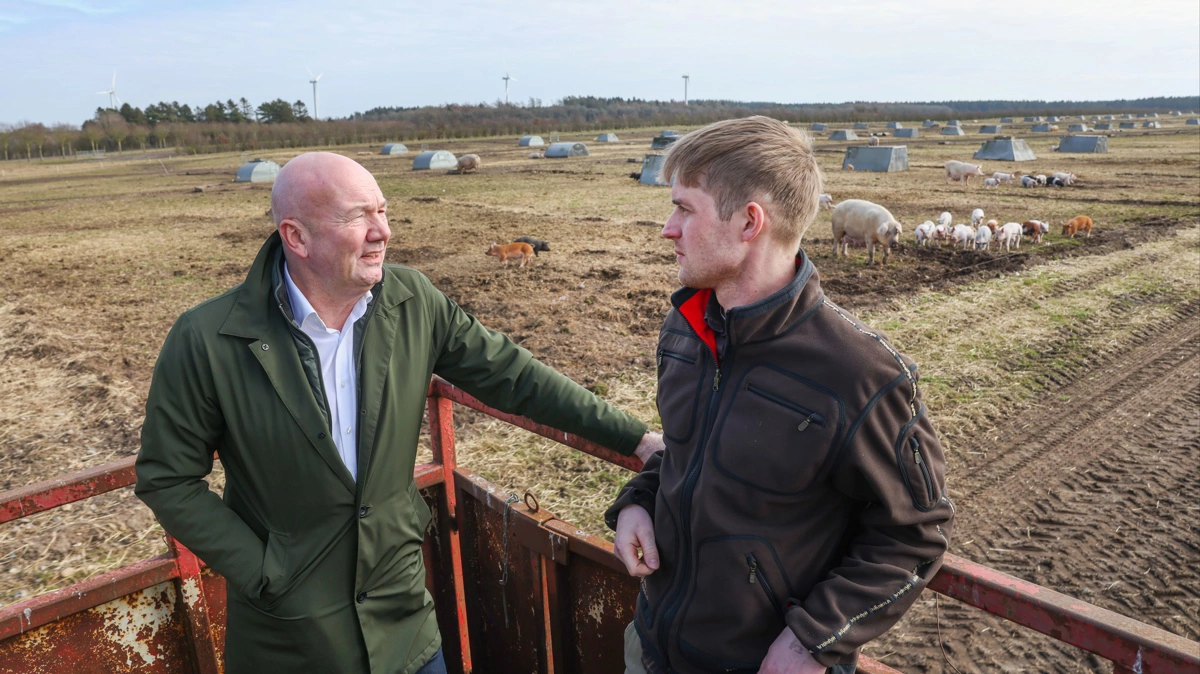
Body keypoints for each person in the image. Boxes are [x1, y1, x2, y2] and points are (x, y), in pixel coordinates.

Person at [135, 152, 663, 674]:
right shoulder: (209, 338)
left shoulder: (412, 300)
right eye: (358, 216)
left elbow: (514, 376)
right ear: (296, 237)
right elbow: (168, 478)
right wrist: (263, 571)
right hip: (289, 638)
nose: (382, 232)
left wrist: (634, 439)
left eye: (383, 211)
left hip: (404, 624)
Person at [606, 117, 955, 674]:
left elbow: (915, 532)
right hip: (650, 650)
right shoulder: (685, 330)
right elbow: (687, 453)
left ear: (750, 222)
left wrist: (812, 640)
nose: (668, 229)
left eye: (685, 209)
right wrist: (638, 501)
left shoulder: (860, 372)